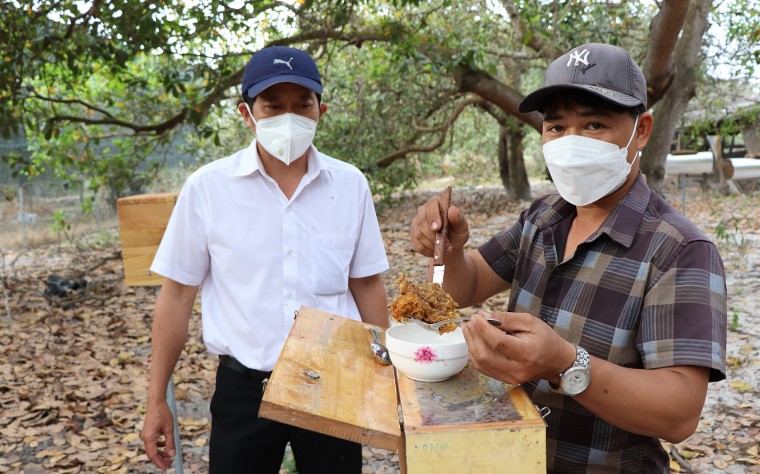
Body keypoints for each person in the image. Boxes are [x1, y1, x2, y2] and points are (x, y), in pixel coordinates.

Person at [409, 43, 727, 473]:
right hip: (512, 458)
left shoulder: (680, 250)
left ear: (642, 130)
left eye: (594, 125)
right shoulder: (543, 217)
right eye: (557, 127)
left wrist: (565, 364)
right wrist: (448, 251)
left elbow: (679, 413)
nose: (572, 144)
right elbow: (466, 286)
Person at [141, 46, 390, 473]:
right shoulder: (208, 189)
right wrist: (155, 399)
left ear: (320, 112)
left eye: (302, 105)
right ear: (247, 114)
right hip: (244, 390)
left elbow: (366, 284)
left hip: (334, 382)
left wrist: (387, 379)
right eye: (273, 106)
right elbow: (177, 295)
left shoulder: (349, 185)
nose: (288, 118)